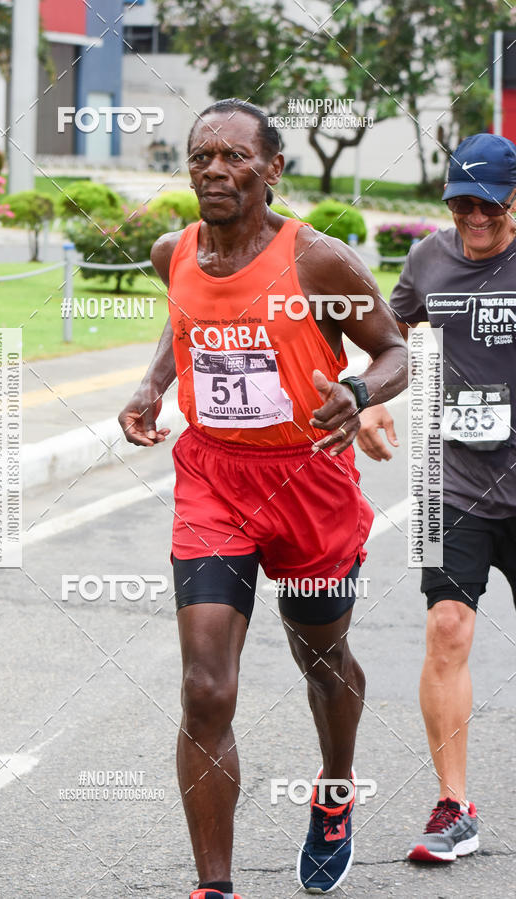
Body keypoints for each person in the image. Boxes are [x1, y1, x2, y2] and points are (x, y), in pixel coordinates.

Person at [119, 98, 407, 897]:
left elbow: (393, 351)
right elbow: (186, 318)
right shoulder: (170, 250)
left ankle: (336, 786)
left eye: (235, 156)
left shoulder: (320, 261)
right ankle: (215, 885)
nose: (215, 168)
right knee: (206, 685)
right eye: (202, 154)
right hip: (214, 477)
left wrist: (356, 390)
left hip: (306, 478)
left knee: (320, 656)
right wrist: (152, 383)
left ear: (272, 169)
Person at [358, 132, 516, 863]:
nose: (472, 216)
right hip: (452, 484)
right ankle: (456, 806)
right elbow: (391, 334)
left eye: (486, 202)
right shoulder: (427, 259)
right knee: (447, 627)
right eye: (459, 202)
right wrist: (370, 397)